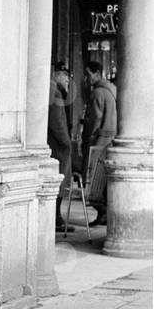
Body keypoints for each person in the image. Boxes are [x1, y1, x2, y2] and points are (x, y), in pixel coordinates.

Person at [81, 60, 117, 226]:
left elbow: (93, 120)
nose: (87, 79)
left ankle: (102, 212)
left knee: (94, 179)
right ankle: (105, 213)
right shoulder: (113, 90)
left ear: (97, 74)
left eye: (88, 75)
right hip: (111, 139)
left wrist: (86, 138)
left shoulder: (97, 93)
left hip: (99, 141)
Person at [48, 63, 74, 233]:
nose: (67, 79)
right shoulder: (55, 92)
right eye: (63, 75)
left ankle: (56, 217)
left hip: (53, 143)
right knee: (59, 181)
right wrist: (67, 143)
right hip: (57, 145)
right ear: (55, 74)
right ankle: (56, 218)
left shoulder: (53, 90)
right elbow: (57, 122)